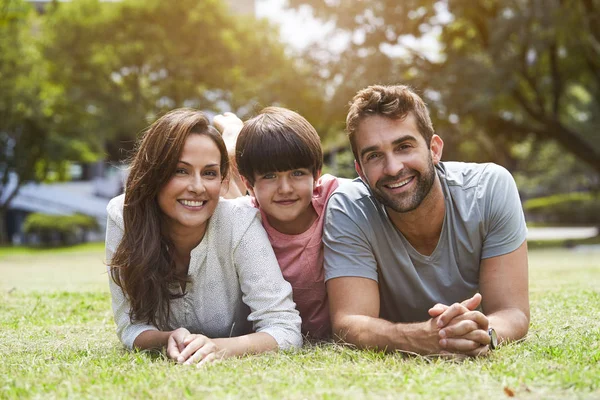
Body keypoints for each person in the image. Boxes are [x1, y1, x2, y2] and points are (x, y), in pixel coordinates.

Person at [323, 84, 529, 356]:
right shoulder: (349, 208)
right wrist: (418, 338)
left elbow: (512, 312)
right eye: (374, 155)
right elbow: (348, 323)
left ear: (434, 149)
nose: (393, 168)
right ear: (359, 170)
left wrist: (483, 333)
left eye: (404, 146)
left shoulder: (490, 189)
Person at [105, 109, 302, 366]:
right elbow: (130, 326)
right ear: (154, 174)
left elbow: (285, 328)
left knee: (234, 203)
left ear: (221, 179)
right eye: (180, 170)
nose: (197, 187)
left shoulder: (241, 221)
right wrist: (166, 338)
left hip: (231, 209)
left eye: (209, 173)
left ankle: (232, 140)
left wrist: (220, 347)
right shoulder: (123, 214)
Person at [214, 107, 346, 339]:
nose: (285, 189)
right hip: (276, 328)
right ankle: (233, 138)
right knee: (232, 202)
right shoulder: (245, 216)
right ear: (249, 182)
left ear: (316, 175)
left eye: (297, 173)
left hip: (329, 330)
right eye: (270, 176)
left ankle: (237, 139)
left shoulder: (334, 198)